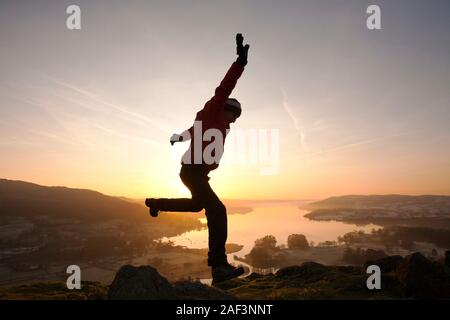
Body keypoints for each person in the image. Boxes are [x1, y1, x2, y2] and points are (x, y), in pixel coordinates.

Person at [145, 33, 250, 284]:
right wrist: (240, 64)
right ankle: (219, 266)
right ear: (227, 109)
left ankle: (156, 203)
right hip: (192, 171)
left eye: (235, 119)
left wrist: (179, 137)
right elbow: (224, 88)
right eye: (233, 116)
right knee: (217, 210)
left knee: (196, 206)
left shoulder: (216, 124)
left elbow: (193, 131)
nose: (233, 122)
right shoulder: (214, 111)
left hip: (197, 173)